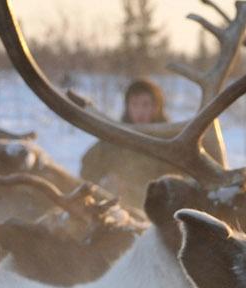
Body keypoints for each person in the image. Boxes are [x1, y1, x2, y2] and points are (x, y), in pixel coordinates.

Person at [77, 78, 188, 209]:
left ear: (156, 107)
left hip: (158, 212)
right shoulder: (115, 138)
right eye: (134, 104)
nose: (140, 111)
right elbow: (87, 169)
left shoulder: (170, 141)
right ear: (127, 106)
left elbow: (182, 182)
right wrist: (105, 181)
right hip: (119, 210)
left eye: (145, 104)